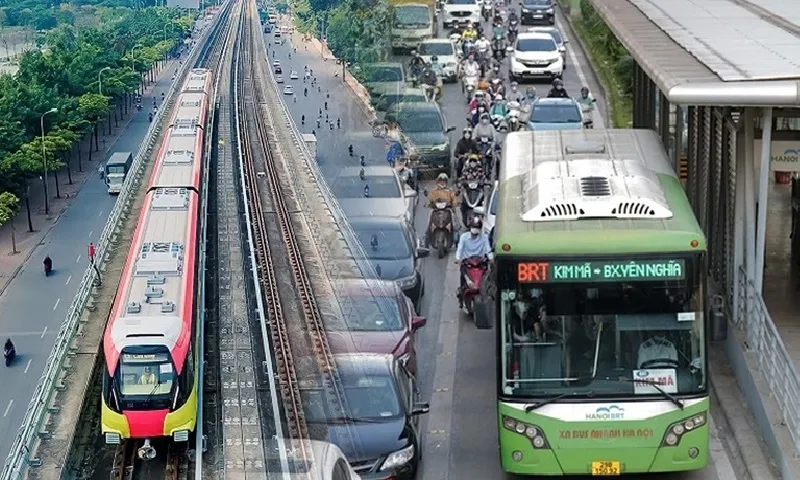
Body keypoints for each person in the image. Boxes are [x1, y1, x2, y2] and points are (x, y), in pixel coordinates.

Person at [455, 217, 493, 305]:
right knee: (463, 278)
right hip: (467, 263)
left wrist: (491, 259)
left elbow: (488, 249)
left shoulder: (484, 237)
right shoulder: (464, 237)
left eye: (477, 227)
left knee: (487, 278)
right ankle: (461, 296)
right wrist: (458, 259)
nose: (475, 229)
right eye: (473, 227)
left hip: (480, 263)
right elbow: (460, 249)